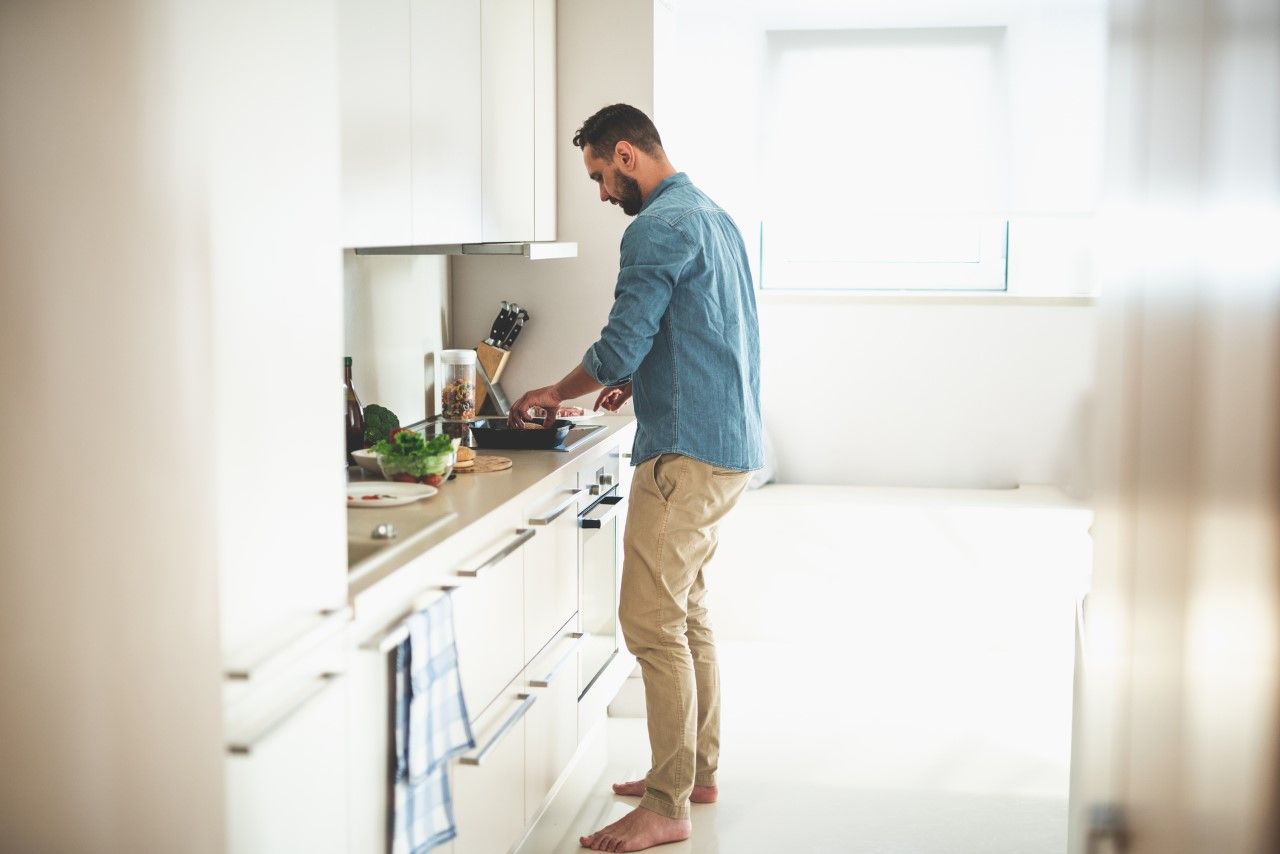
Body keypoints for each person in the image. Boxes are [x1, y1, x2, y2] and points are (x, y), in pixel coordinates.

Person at [508, 103, 763, 852]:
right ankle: (694, 772)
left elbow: (621, 341)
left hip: (684, 451)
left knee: (652, 622)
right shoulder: (709, 213)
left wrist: (557, 391)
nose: (599, 193)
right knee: (685, 616)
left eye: (597, 175)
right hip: (725, 440)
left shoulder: (654, 226)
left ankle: (666, 803)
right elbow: (700, 328)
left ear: (626, 155)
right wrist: (637, 378)